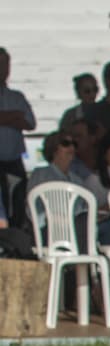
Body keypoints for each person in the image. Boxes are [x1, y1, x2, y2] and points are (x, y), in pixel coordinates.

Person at [0, 48, 36, 233]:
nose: (3, 69)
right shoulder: (16, 104)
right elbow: (19, 118)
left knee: (17, 203)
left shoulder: (17, 97)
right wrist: (12, 117)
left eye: (6, 64)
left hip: (13, 161)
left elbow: (30, 123)